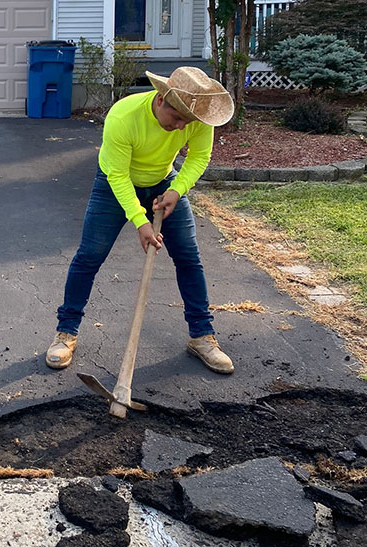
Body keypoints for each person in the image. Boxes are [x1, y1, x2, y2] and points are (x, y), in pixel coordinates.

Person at [46, 66, 235, 375]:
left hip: (163, 181)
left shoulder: (197, 116)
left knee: (189, 257)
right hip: (114, 184)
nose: (180, 128)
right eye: (176, 118)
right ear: (161, 100)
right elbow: (118, 176)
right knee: (89, 256)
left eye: (186, 122)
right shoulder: (124, 116)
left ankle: (202, 336)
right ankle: (66, 333)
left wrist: (176, 190)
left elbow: (199, 158)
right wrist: (140, 221)